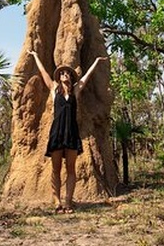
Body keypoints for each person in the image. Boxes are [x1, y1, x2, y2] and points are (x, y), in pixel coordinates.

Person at [28, 50, 108, 213]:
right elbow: (43, 72)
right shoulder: (53, 89)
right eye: (62, 73)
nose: (65, 74)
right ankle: (57, 202)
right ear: (59, 78)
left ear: (71, 77)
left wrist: (96, 61)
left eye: (67, 73)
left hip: (71, 132)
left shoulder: (75, 91)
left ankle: (68, 202)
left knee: (71, 169)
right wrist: (36, 56)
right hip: (57, 133)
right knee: (55, 169)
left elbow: (86, 77)